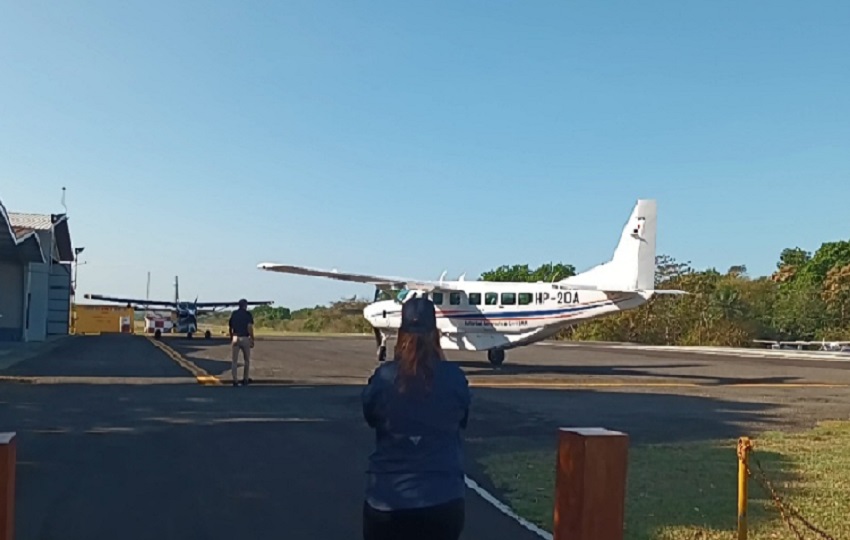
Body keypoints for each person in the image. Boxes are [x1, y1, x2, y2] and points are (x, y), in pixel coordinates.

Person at [360, 297, 471, 540]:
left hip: (389, 500)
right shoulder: (455, 378)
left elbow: (371, 416)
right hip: (443, 500)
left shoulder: (384, 377)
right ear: (436, 333)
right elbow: (462, 418)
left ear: (401, 332)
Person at [228, 299, 254, 386]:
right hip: (245, 338)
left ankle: (235, 380)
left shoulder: (234, 314)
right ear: (245, 305)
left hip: (235, 337)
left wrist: (232, 337)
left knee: (234, 361)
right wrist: (252, 338)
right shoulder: (248, 315)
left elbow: (230, 327)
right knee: (247, 360)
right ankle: (245, 379)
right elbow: (249, 327)